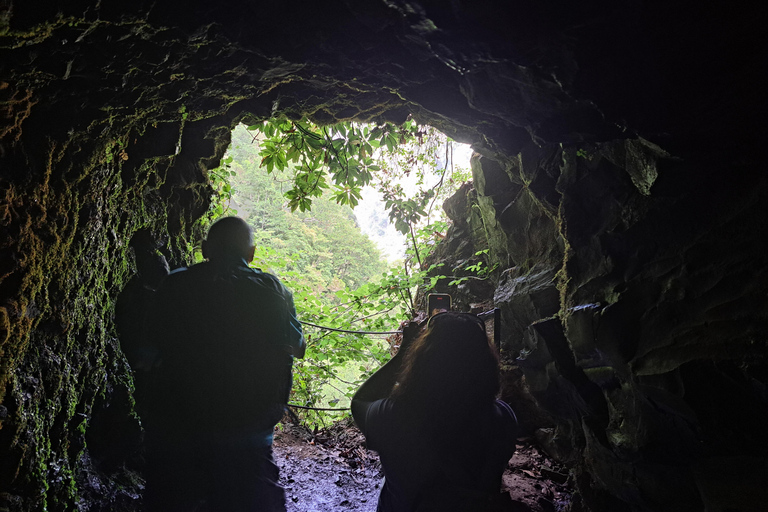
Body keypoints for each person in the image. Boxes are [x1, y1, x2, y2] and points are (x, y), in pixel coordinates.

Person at [143, 216, 305, 512]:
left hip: (179, 432)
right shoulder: (273, 290)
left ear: (204, 248)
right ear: (252, 254)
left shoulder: (175, 283)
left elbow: (147, 349)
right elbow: (297, 346)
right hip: (250, 435)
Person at [352, 312, 518, 512]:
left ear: (419, 364)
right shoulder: (503, 419)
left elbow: (360, 401)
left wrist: (404, 351)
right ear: (486, 366)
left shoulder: (392, 416)